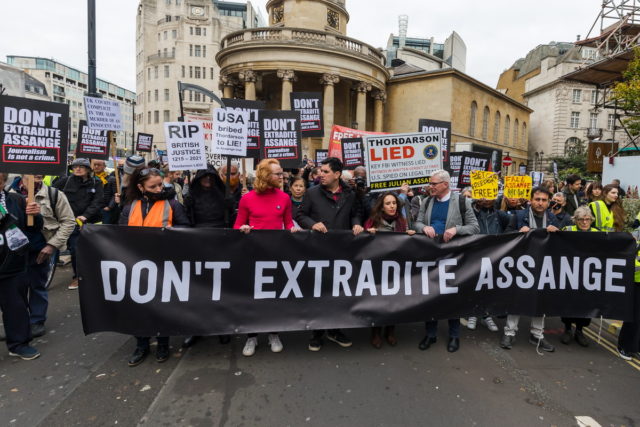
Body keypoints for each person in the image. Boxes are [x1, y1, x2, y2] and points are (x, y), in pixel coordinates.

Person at [119, 167, 189, 366]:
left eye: (160, 184)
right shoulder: (129, 207)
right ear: (141, 187)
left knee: (162, 306)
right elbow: (119, 234)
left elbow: (187, 228)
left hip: (163, 265)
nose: (159, 189)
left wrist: (174, 231)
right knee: (137, 307)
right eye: (153, 186)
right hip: (135, 265)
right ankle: (141, 344)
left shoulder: (173, 204)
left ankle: (162, 343)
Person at [296, 157, 364, 351]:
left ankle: (335, 330)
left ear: (337, 174)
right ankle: (317, 332)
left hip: (343, 252)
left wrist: (357, 223)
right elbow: (300, 215)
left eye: (325, 172)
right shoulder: (312, 193)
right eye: (320, 171)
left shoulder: (350, 194)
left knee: (339, 293)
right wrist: (312, 224)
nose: (320, 175)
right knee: (319, 292)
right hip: (318, 251)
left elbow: (356, 213)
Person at [234, 159, 297, 356]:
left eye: (282, 173)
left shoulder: (285, 198)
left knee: (274, 296)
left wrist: (293, 229)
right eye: (278, 173)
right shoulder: (247, 199)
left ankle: (273, 333)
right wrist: (242, 229)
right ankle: (251, 337)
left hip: (276, 255)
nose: (282, 176)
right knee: (252, 297)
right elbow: (237, 225)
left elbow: (288, 223)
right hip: (252, 255)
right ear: (265, 176)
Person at [413, 170, 480, 353]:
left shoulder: (461, 201)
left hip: (453, 257)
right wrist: (424, 227)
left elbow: (475, 227)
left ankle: (454, 336)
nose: (430, 187)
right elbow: (416, 223)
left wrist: (456, 230)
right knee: (430, 295)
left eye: (434, 184)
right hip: (431, 256)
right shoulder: (426, 202)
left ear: (445, 184)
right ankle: (431, 334)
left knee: (452, 297)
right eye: (430, 183)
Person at [11, 175, 75, 337]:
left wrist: (52, 245)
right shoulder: (8, 193)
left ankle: (36, 321)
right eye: (34, 170)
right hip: (13, 252)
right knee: (14, 288)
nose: (39, 173)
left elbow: (68, 222)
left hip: (40, 250)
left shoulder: (55, 195)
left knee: (37, 286)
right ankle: (18, 323)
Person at [501, 187, 560, 352]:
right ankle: (509, 332)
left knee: (541, 299)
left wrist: (557, 233)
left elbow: (560, 245)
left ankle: (537, 334)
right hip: (522, 264)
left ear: (549, 202)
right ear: (531, 200)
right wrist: (518, 233)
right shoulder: (519, 216)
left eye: (544, 200)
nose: (540, 203)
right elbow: (505, 236)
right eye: (537, 199)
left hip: (543, 265)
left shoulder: (553, 219)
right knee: (517, 298)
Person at [0, 172, 43, 360]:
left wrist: (35, 215)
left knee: (16, 306)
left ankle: (18, 344)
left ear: (3, 181)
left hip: (13, 263)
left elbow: (32, 228)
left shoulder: (16, 200)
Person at [365, 192, 415, 348]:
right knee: (378, 302)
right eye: (388, 203)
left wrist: (410, 235)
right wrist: (368, 234)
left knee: (394, 301)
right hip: (378, 269)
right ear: (381, 206)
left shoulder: (402, 222)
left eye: (394, 203)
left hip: (396, 270)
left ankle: (391, 331)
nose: (392, 206)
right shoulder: (372, 222)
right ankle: (376, 332)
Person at [53, 158, 104, 289]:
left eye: (81, 166)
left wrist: (86, 216)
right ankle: (77, 277)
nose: (78, 169)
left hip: (91, 222)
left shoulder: (96, 182)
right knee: (75, 250)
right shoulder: (65, 181)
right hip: (71, 222)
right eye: (75, 166)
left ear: (88, 169)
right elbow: (51, 194)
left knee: (93, 250)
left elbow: (97, 201)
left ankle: (94, 273)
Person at [466, 197, 510, 332]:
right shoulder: (471, 213)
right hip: (475, 255)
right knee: (475, 285)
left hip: (495, 257)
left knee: (489, 287)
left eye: (489, 196)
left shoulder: (500, 215)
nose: (486, 199)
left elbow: (512, 229)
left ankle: (487, 315)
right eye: (483, 196)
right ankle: (473, 313)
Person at [560, 206, 598, 347]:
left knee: (585, 304)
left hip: (588, 276)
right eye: (581, 219)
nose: (584, 222)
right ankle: (568, 329)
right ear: (575, 220)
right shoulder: (568, 231)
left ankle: (580, 331)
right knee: (569, 302)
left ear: (591, 220)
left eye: (587, 219)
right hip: (570, 274)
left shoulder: (597, 233)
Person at [617, 237, 640, 360]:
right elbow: (631, 261)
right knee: (634, 317)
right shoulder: (636, 242)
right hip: (636, 283)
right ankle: (624, 346)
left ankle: (635, 348)